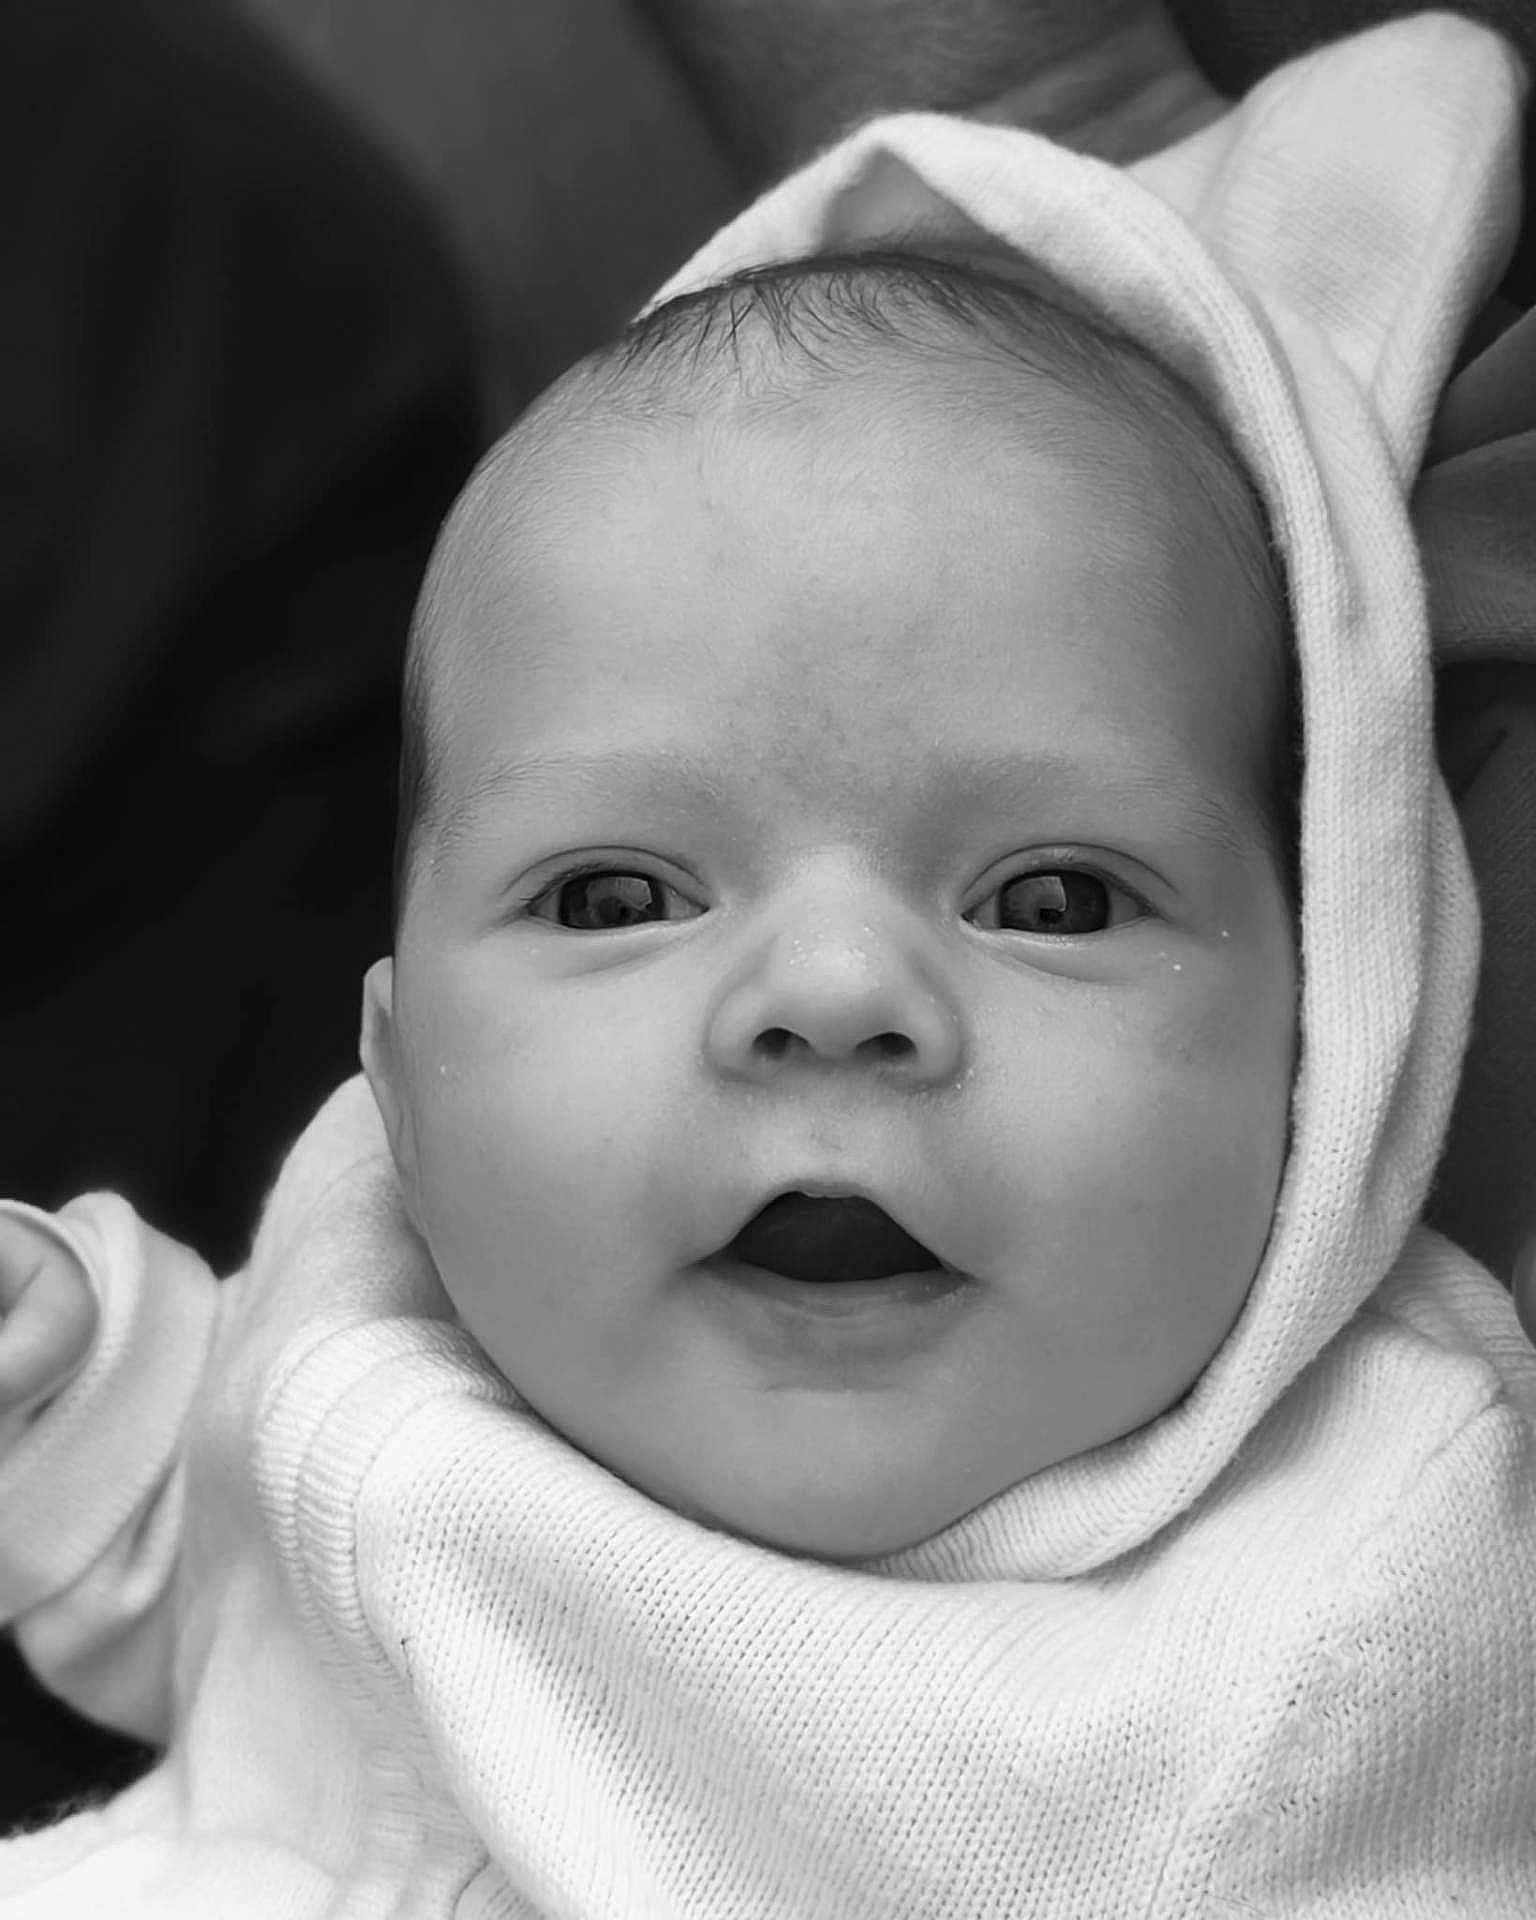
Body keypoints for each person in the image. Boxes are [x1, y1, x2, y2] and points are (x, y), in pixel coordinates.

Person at [1, 12, 1534, 1914]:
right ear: (397, 1078)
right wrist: (95, 1398)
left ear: (1331, 1031)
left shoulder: (1351, 1605)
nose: (827, 993)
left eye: (1050, 899)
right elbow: (285, 1599)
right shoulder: (391, 1300)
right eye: (617, 897)